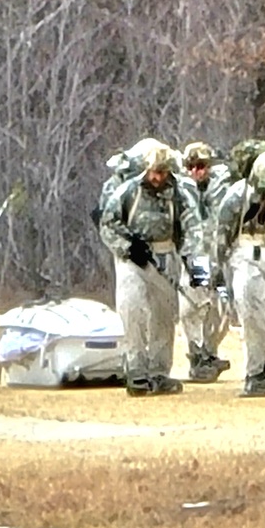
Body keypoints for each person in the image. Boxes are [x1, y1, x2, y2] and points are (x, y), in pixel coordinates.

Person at [99, 143, 205, 396]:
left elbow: (194, 228)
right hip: (132, 259)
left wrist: (195, 266)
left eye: (162, 172)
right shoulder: (128, 191)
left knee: (164, 316)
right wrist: (126, 246)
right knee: (132, 310)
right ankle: (136, 370)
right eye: (153, 172)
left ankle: (159, 372)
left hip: (165, 255)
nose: (157, 178)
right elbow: (107, 223)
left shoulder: (179, 193)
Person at [216, 150, 265, 397]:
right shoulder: (237, 195)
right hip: (245, 254)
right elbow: (221, 232)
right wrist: (217, 269)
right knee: (254, 314)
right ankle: (254, 372)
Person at [179, 142, 232, 382]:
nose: (195, 172)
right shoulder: (180, 190)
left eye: (200, 166)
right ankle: (197, 354)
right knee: (194, 305)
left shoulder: (224, 187)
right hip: (195, 258)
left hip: (221, 257)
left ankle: (211, 352)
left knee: (222, 306)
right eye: (190, 166)